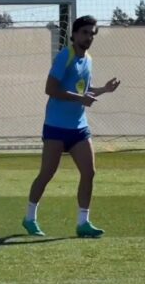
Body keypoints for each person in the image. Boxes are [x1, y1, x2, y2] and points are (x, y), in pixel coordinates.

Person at [22, 15, 120, 238]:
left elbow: (83, 90)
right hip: (56, 127)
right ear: (74, 34)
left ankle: (83, 223)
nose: (88, 37)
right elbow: (50, 89)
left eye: (92, 34)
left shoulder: (89, 59)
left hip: (79, 128)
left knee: (89, 172)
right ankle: (29, 218)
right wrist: (80, 99)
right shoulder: (65, 56)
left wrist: (103, 90)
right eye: (84, 33)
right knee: (47, 174)